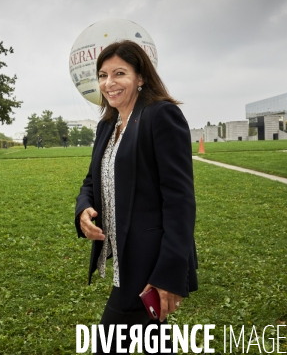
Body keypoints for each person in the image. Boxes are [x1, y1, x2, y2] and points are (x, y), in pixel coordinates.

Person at [75, 41, 197, 354]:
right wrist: (84, 210)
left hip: (149, 261)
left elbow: (179, 200)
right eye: (103, 75)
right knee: (155, 339)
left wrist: (169, 274)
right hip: (125, 255)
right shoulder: (107, 125)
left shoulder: (161, 116)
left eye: (119, 73)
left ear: (140, 77)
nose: (108, 83)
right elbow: (92, 180)